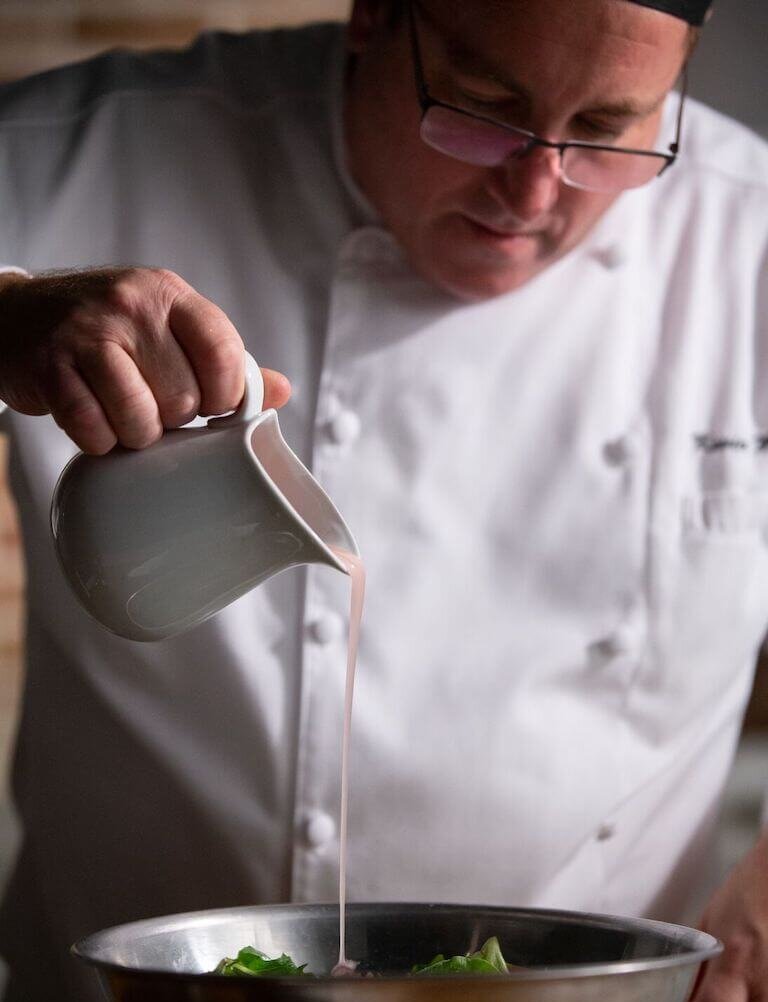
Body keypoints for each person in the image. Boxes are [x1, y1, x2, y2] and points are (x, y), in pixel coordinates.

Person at [0, 0, 766, 998]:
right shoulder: (81, 147)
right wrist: (8, 316)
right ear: (374, 17)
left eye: (606, 130)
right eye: (486, 105)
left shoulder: (746, 234)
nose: (535, 190)